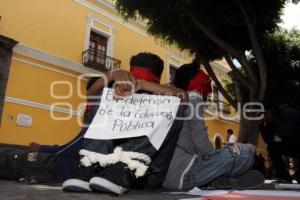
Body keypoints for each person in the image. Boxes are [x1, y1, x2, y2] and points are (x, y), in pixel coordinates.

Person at [62, 52, 188, 194]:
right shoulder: (119, 92)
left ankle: (126, 168)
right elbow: (92, 93)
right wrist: (112, 74)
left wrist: (141, 85)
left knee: (175, 105)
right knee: (106, 97)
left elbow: (184, 97)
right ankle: (91, 165)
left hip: (145, 172)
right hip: (105, 166)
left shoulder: (163, 96)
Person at [162, 62, 264, 190]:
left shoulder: (171, 100)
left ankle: (217, 179)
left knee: (234, 152)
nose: (210, 90)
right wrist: (219, 156)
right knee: (246, 152)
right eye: (206, 83)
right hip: (185, 175)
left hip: (169, 177)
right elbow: (201, 142)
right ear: (192, 82)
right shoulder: (193, 97)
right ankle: (221, 178)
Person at [0, 78, 100, 183]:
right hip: (62, 170)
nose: (88, 107)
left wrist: (41, 148)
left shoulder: (98, 125)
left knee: (10, 158)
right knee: (10, 155)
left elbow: (67, 150)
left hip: (59, 168)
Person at [260, 104, 300, 182]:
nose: (264, 115)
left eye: (265, 112)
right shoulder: (272, 118)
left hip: (297, 142)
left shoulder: (289, 113)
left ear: (272, 110)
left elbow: (292, 133)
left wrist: (275, 121)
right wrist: (262, 124)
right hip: (293, 144)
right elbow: (268, 140)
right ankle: (283, 176)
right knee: (272, 147)